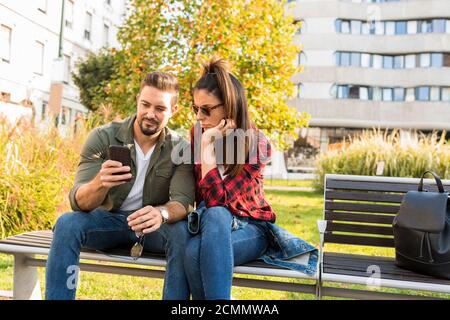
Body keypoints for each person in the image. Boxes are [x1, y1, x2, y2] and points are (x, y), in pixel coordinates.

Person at [45, 72, 195, 300]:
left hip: (152, 227)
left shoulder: (181, 148)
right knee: (67, 223)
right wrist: (100, 183)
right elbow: (79, 201)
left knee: (181, 232)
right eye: (145, 104)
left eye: (160, 108)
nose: (150, 114)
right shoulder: (103, 137)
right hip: (109, 222)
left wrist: (161, 213)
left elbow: (184, 201)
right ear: (137, 100)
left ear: (174, 110)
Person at [184, 57, 317, 300]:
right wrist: (204, 141)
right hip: (210, 230)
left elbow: (217, 204)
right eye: (195, 109)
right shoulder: (197, 135)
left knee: (210, 225)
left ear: (230, 106)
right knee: (193, 249)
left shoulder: (258, 144)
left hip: (252, 229)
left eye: (206, 109)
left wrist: (206, 149)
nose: (199, 117)